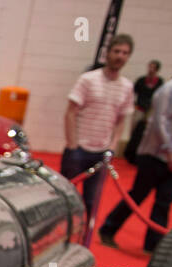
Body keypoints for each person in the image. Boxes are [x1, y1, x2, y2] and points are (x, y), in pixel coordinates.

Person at [99, 47, 172, 253]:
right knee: (138, 195)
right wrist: (171, 153)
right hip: (155, 156)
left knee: (164, 202)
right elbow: (159, 123)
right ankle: (108, 228)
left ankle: (153, 245)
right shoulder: (169, 90)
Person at [63, 34, 135, 222]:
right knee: (65, 198)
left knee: (91, 201)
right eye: (116, 51)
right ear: (108, 53)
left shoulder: (127, 87)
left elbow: (121, 120)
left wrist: (112, 146)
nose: (120, 56)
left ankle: (84, 237)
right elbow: (71, 112)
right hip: (78, 150)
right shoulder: (88, 79)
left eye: (125, 53)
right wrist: (72, 145)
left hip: (102, 153)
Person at [124, 59, 163, 163]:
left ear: (157, 70)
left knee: (146, 132)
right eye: (149, 67)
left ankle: (142, 153)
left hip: (151, 110)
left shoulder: (159, 82)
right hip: (139, 108)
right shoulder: (141, 80)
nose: (150, 69)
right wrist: (133, 104)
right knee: (134, 130)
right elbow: (132, 93)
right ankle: (131, 151)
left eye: (153, 68)